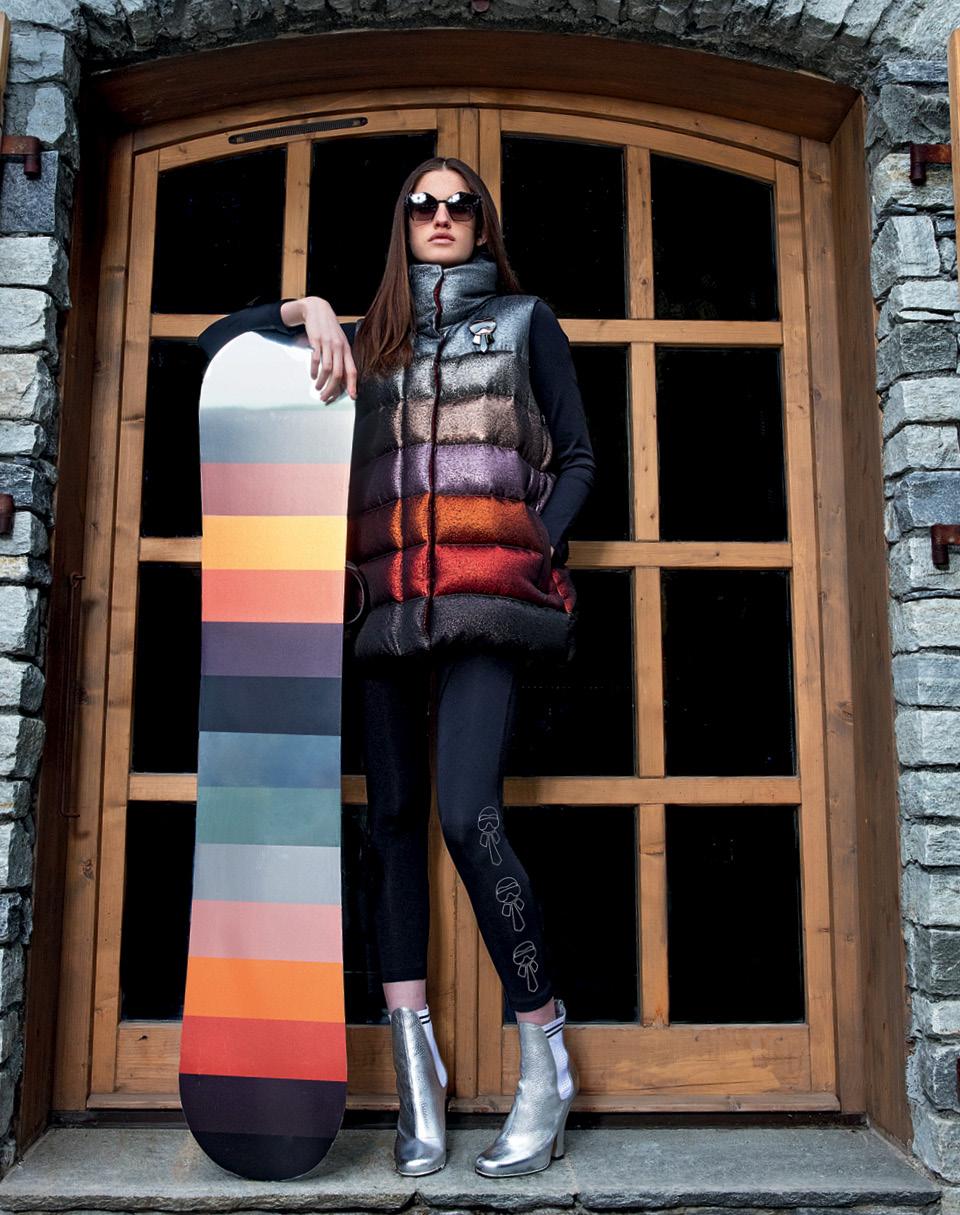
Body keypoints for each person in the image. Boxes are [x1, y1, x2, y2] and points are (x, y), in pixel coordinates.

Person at [198, 155, 597, 1179]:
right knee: (390, 826)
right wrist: (306, 311)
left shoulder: (526, 324)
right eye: (423, 203)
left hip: (486, 609)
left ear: (482, 223)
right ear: (403, 222)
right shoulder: (364, 343)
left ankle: (546, 1057)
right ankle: (419, 1071)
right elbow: (214, 346)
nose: (442, 215)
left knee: (468, 816)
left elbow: (581, 458)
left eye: (461, 203)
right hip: (381, 615)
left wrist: (533, 542)